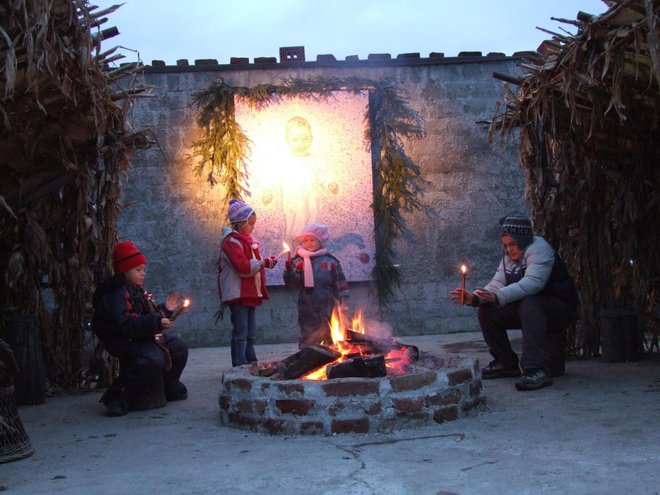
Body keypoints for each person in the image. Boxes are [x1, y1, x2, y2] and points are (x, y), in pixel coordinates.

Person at [450, 212, 579, 391]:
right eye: (506, 245)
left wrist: (498, 297)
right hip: (530, 310)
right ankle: (506, 363)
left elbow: (532, 284)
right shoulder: (509, 259)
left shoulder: (540, 251)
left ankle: (535, 369)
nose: (509, 249)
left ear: (523, 239)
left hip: (559, 308)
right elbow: (497, 283)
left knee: (530, 303)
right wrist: (476, 298)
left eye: (512, 244)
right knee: (487, 310)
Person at [92, 241, 189, 416]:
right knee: (152, 359)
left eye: (143, 269)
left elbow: (148, 314)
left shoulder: (137, 290)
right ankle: (119, 396)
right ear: (124, 270)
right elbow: (123, 323)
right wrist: (156, 322)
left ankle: (169, 385)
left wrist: (165, 310)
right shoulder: (116, 292)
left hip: (141, 336)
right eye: (138, 270)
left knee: (179, 348)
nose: (143, 274)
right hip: (123, 339)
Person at [218, 199, 278, 366]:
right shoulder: (231, 242)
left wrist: (265, 262)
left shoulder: (248, 242)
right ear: (240, 223)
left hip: (249, 292)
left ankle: (251, 361)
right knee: (241, 332)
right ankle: (239, 365)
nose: (253, 227)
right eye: (250, 224)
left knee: (250, 332)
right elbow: (243, 268)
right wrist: (263, 263)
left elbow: (255, 265)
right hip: (238, 293)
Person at [283, 223, 350, 348]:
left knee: (329, 333)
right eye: (305, 240)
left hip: (328, 306)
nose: (308, 243)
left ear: (320, 241)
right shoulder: (298, 261)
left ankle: (330, 359)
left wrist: (344, 301)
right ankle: (306, 358)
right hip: (307, 306)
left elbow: (339, 283)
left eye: (312, 240)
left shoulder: (330, 262)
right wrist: (289, 272)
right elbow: (293, 283)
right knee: (308, 333)